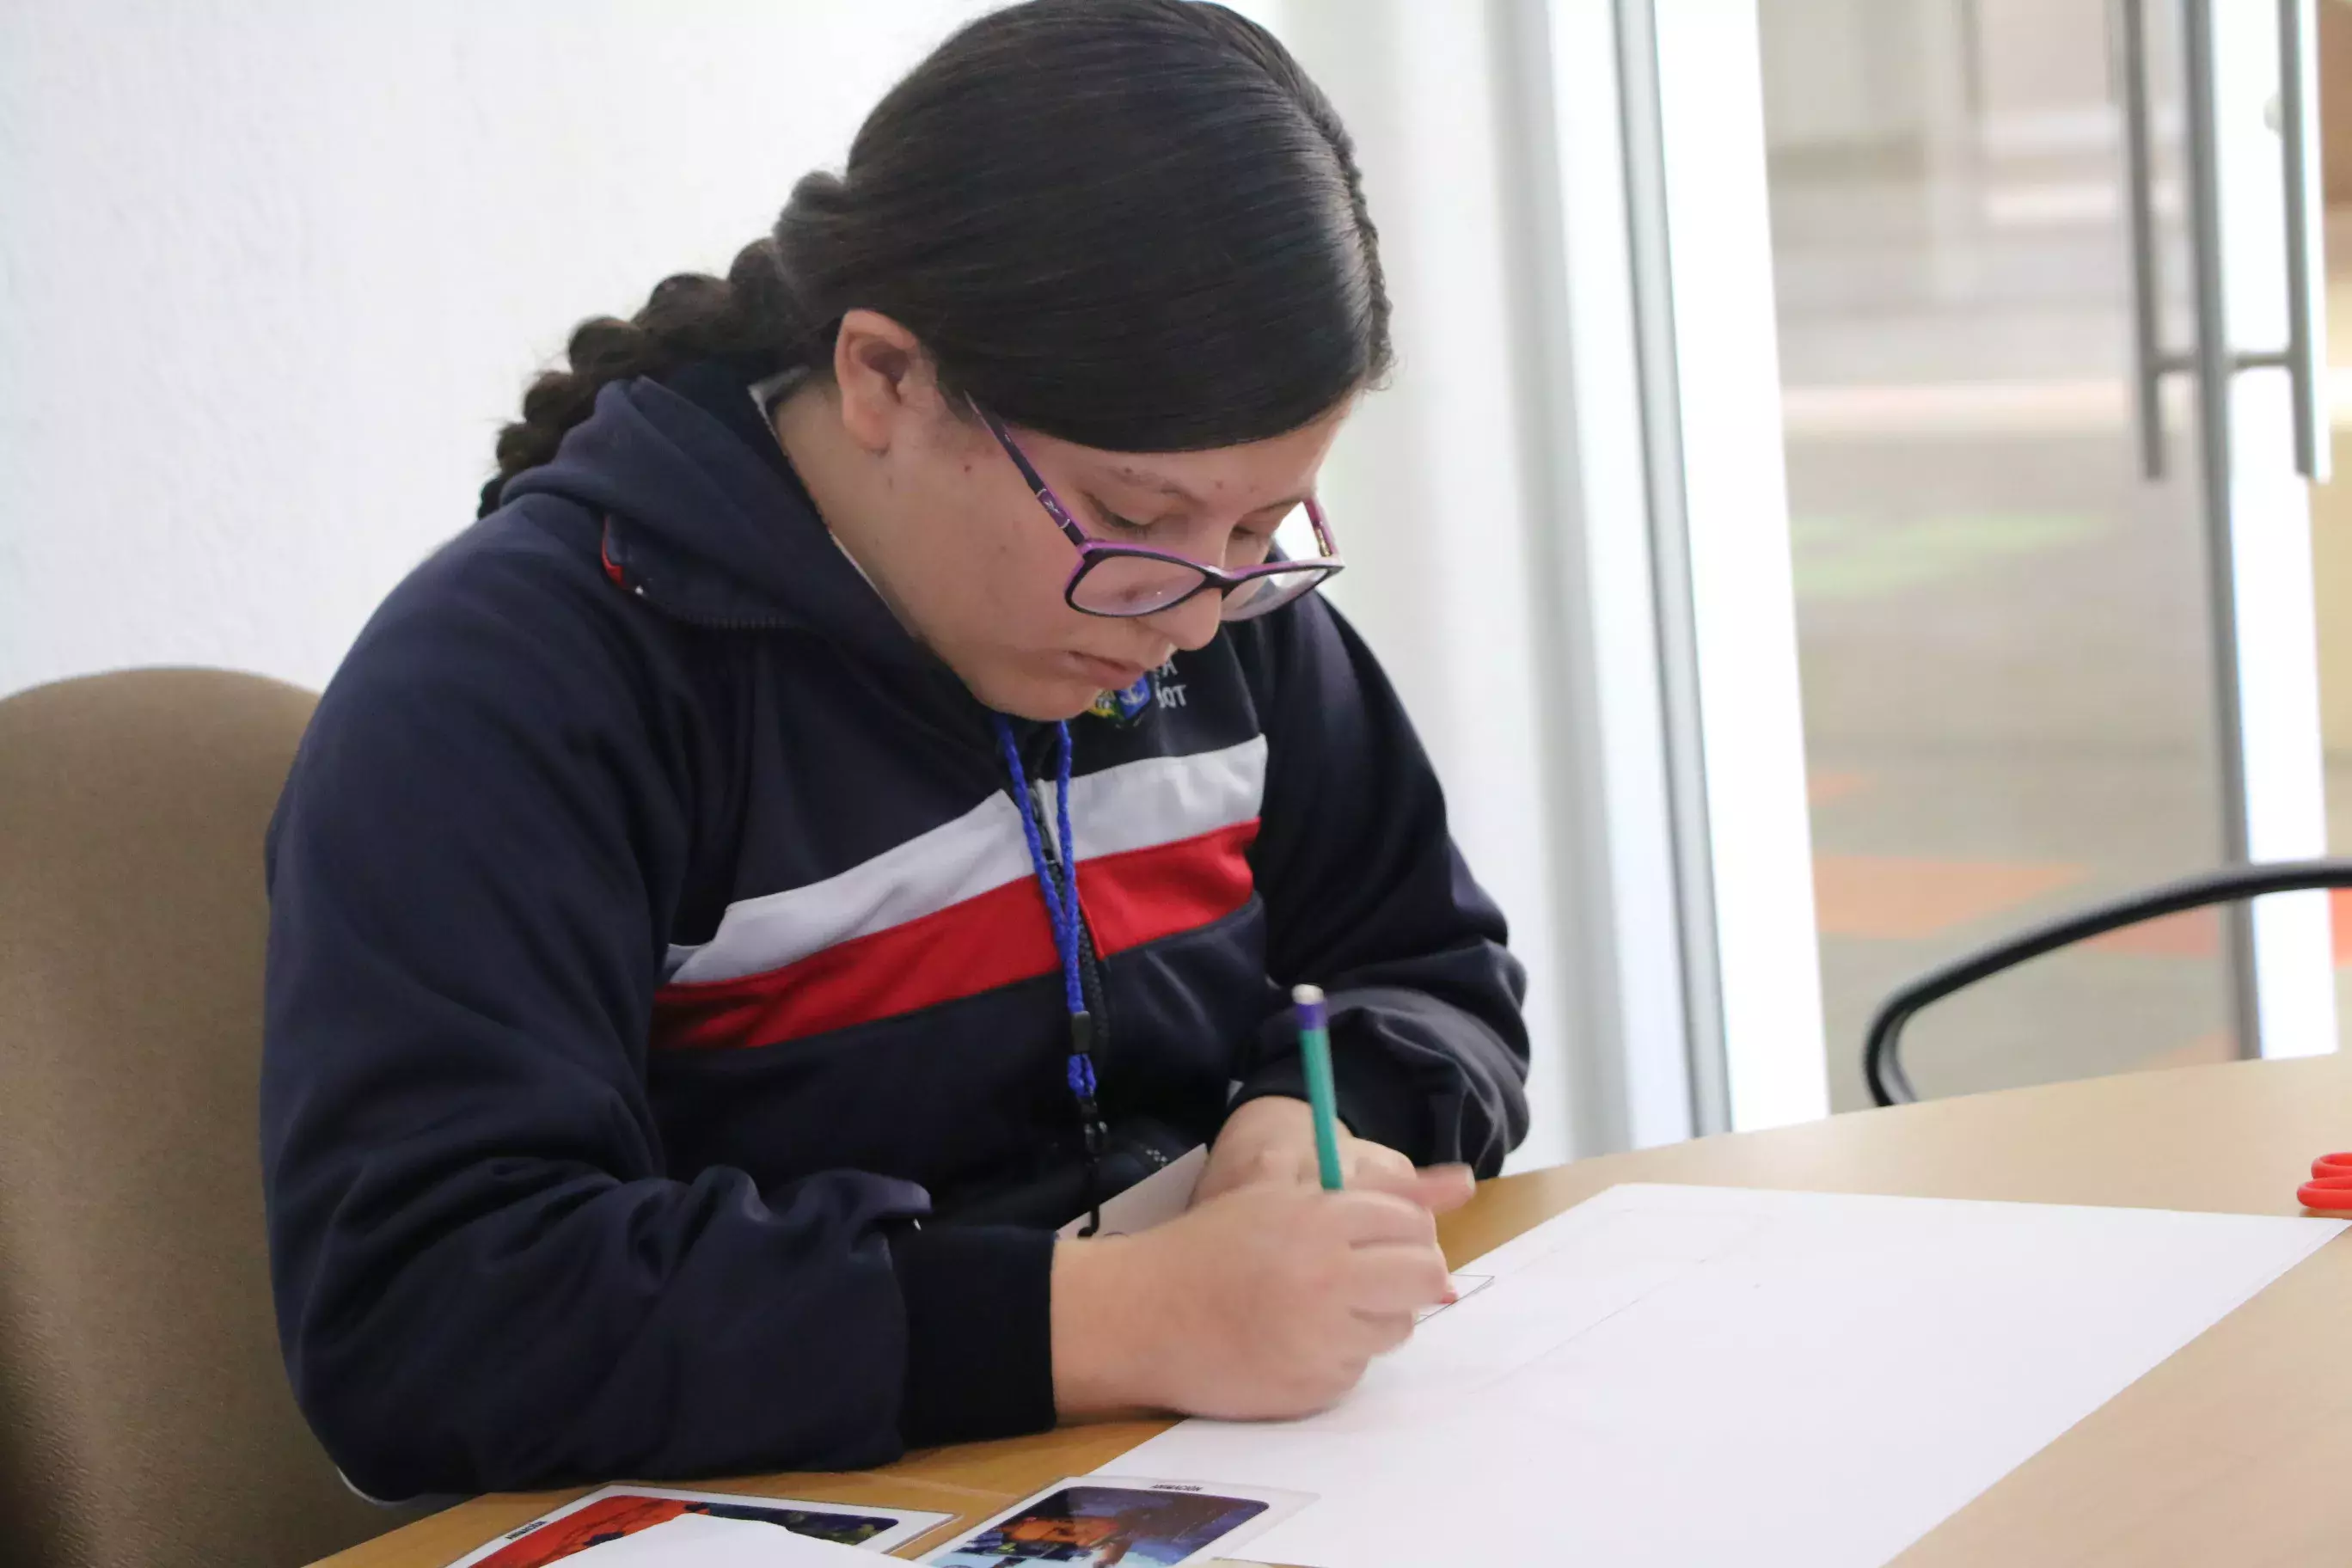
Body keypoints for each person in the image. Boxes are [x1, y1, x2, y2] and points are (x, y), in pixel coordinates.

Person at [260, 0, 1529, 1501]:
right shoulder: (519, 686)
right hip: (794, 1499)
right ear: (884, 377)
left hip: (1227, 1461)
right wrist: (1121, 1319)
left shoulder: (1211, 612)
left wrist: (1310, 1127)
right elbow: (430, 1315)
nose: (1191, 621)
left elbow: (1431, 973)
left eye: (1260, 527)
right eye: (1131, 519)